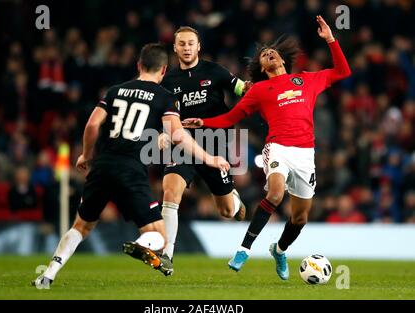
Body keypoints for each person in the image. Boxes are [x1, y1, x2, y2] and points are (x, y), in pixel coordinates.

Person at [32, 43, 230, 288]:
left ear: (139, 65)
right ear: (164, 70)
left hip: (103, 165)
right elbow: (178, 136)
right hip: (131, 170)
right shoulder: (164, 96)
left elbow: (93, 125)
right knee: (160, 236)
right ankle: (141, 245)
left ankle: (48, 274)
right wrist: (210, 159)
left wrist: (85, 155)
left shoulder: (116, 90)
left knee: (81, 226)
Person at [183, 16, 351, 280]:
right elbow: (230, 118)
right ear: (261, 66)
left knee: (300, 218)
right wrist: (202, 121)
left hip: (305, 153)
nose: (268, 53)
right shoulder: (260, 90)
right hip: (278, 147)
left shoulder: (306, 80)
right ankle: (244, 249)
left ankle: (279, 249)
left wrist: (330, 39)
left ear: (283, 60)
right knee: (274, 194)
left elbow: (343, 71)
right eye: (263, 54)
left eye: (272, 51)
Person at [159, 26, 251, 274]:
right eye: (182, 44)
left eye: (191, 43)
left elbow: (243, 89)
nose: (187, 48)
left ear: (198, 46)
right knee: (170, 191)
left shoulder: (215, 71)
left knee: (226, 211)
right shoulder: (167, 81)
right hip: (183, 143)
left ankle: (233, 199)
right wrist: (161, 134)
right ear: (175, 48)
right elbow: (160, 114)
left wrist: (255, 89)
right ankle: (167, 255)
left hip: (215, 144)